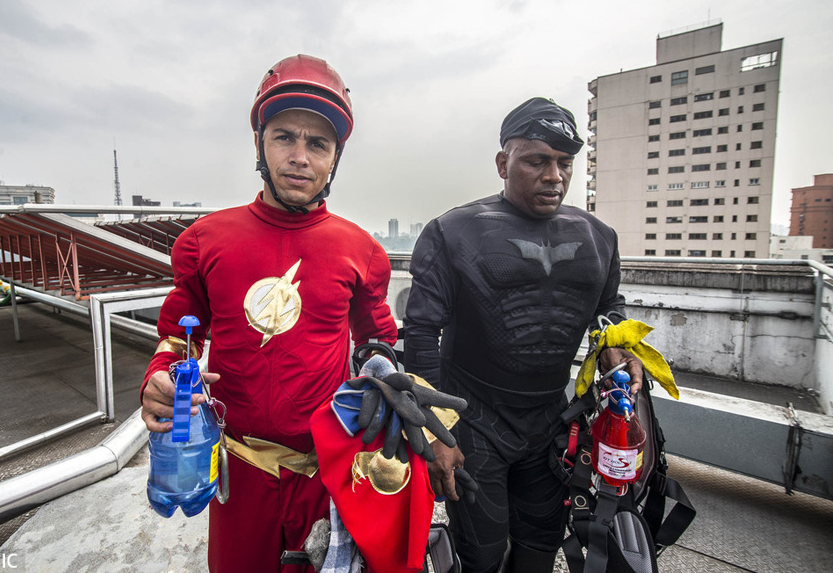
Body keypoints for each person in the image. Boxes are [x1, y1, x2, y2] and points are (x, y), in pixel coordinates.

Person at [140, 54, 398, 573]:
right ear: (260, 144)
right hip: (237, 470)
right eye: (284, 137)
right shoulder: (204, 241)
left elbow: (380, 347)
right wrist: (159, 377)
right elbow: (176, 336)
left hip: (326, 470)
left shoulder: (362, 250)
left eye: (317, 144)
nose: (299, 156)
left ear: (334, 159)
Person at [403, 97, 644, 573]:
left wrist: (619, 346)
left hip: (552, 418)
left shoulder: (600, 236)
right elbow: (421, 334)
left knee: (540, 549)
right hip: (474, 418)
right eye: (537, 161)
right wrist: (435, 433)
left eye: (564, 163)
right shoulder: (451, 232)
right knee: (483, 555)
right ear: (503, 163)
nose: (553, 175)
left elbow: (607, 310)